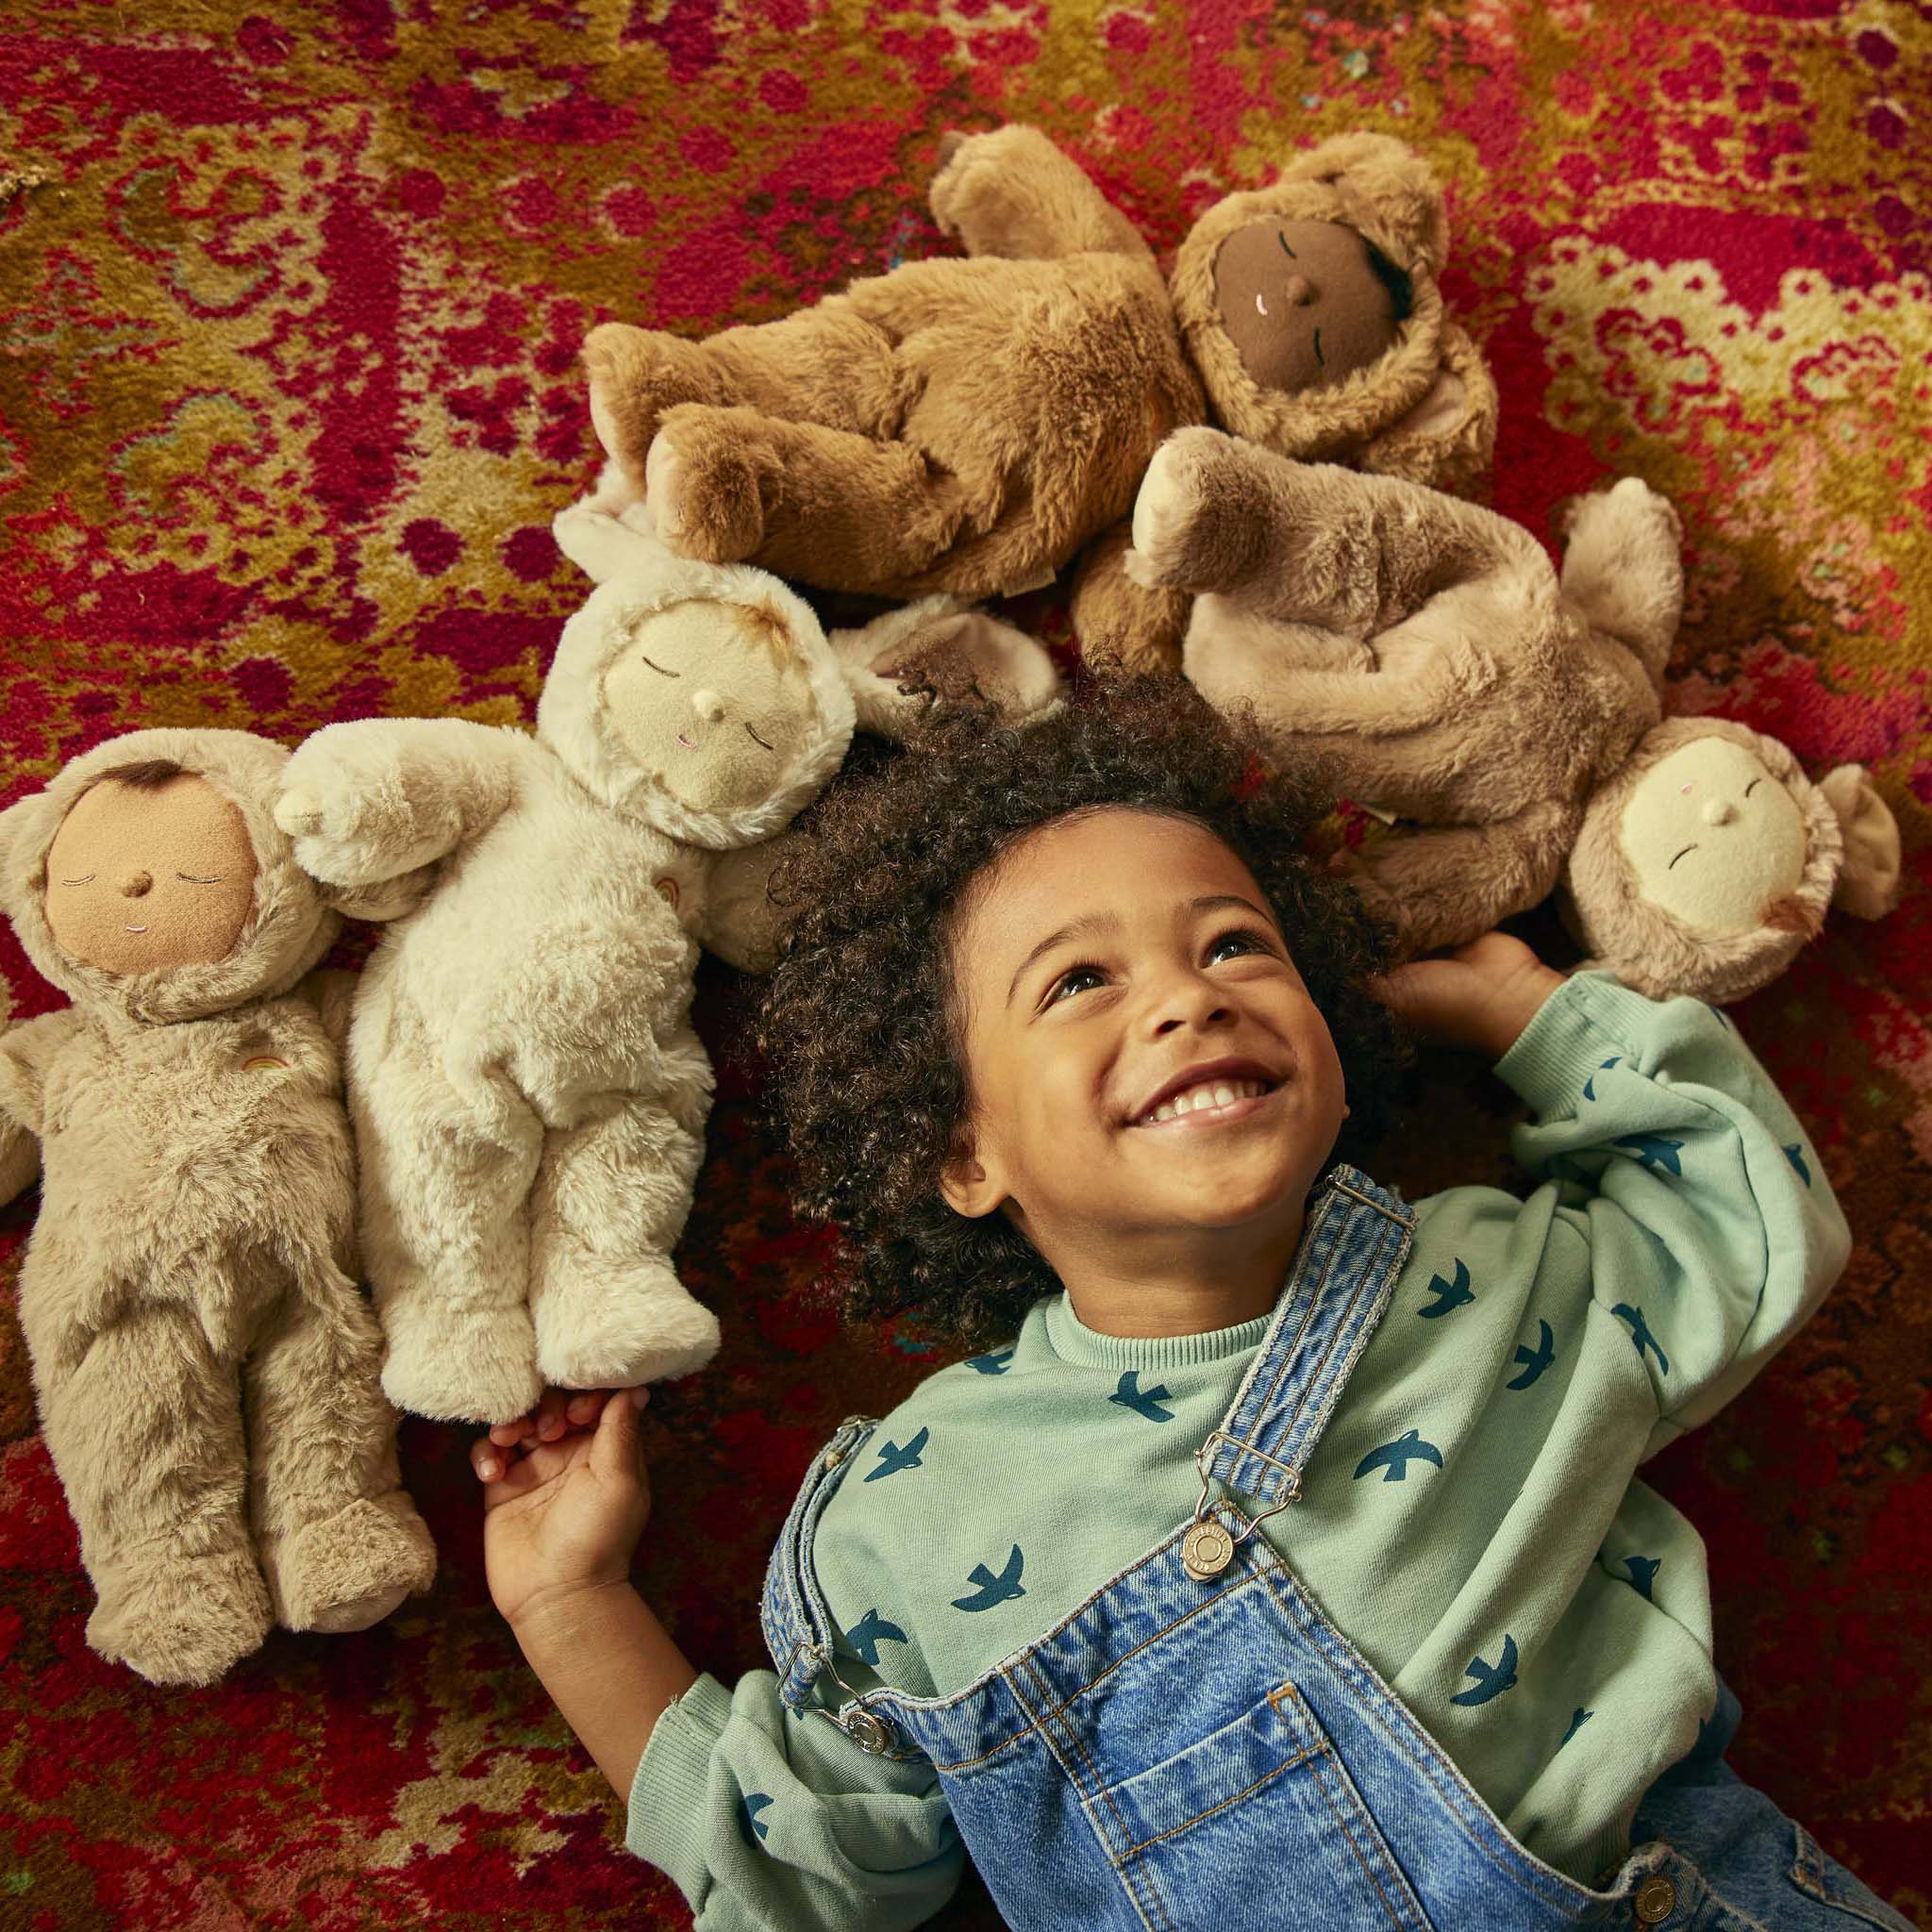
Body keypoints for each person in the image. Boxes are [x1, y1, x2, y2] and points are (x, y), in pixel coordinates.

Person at [471, 687, 1914, 1930]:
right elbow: (807, 1876)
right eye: (1081, 981)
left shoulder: (1493, 1285)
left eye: (1235, 946)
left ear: (1338, 1058)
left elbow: (1739, 1217)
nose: (1186, 999)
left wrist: (1522, 1005)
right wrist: (568, 1603)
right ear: (965, 1153)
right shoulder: (917, 1512)